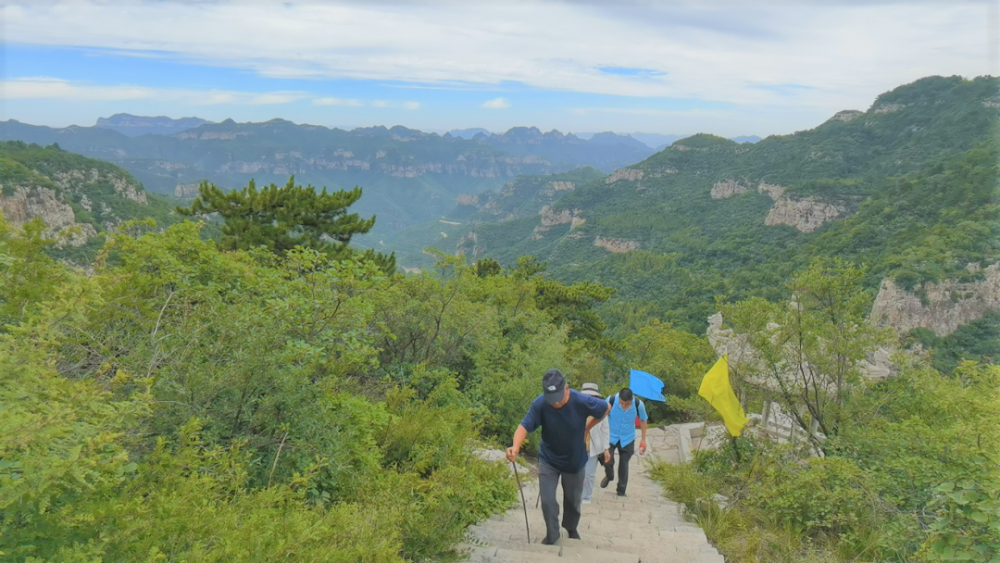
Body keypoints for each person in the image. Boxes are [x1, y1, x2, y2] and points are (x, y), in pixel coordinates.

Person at [506, 369, 611, 545]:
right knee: (547, 501)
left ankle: (571, 528)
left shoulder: (581, 400)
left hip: (575, 461)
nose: (555, 404)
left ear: (567, 388)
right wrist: (515, 447)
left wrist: (588, 427)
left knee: (573, 501)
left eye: (559, 399)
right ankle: (552, 534)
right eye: (551, 400)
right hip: (549, 460)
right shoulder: (540, 404)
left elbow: (605, 408)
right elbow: (524, 425)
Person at [601, 387, 648, 497]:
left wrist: (643, 439)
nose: (624, 406)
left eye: (627, 404)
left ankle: (621, 490)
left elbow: (643, 419)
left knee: (624, 463)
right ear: (619, 398)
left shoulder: (638, 404)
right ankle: (609, 476)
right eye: (622, 403)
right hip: (611, 436)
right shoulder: (611, 400)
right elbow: (602, 416)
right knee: (607, 459)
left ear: (631, 400)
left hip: (628, 437)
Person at [580, 382, 610, 505]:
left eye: (593, 397)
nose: (591, 399)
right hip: (577, 446)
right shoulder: (576, 408)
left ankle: (587, 496)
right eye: (588, 396)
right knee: (577, 472)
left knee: (589, 474)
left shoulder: (601, 411)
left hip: (593, 447)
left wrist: (606, 448)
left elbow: (605, 430)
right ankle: (576, 494)